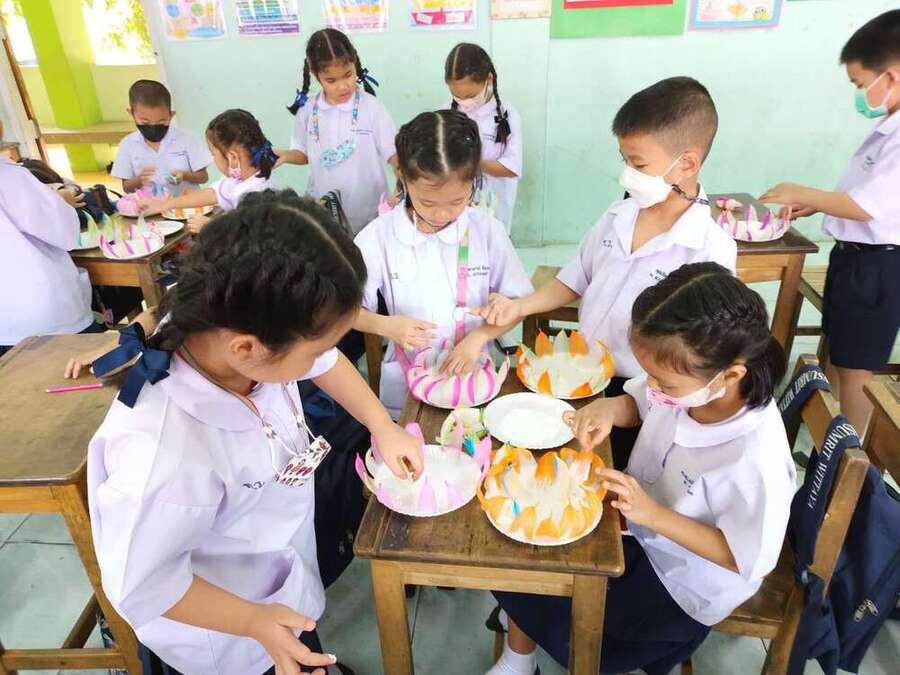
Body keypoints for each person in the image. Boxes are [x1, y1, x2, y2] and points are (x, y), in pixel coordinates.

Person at [88, 189, 424, 675]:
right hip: (226, 635)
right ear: (248, 349)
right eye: (312, 353)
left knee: (299, 637)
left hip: (274, 581)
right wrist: (253, 621)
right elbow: (143, 583)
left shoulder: (227, 328)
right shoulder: (164, 455)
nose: (321, 360)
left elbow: (326, 361)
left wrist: (382, 426)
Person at [486, 262, 795, 675]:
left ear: (731, 375)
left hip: (681, 582)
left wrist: (653, 515)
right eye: (650, 376)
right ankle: (520, 652)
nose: (653, 388)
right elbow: (639, 403)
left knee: (560, 605)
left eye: (664, 384)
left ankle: (526, 637)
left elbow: (746, 557)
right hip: (639, 529)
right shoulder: (690, 384)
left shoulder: (757, 458)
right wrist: (608, 410)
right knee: (518, 547)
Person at [475, 77, 737, 467]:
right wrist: (521, 307)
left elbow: (698, 358)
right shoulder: (619, 215)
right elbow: (575, 277)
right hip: (580, 372)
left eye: (639, 164)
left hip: (644, 395)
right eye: (624, 160)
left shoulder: (709, 250)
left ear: (686, 164)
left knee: (617, 471)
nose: (627, 174)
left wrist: (629, 402)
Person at [760, 9, 900, 435]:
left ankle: (851, 458)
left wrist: (801, 192)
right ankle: (831, 442)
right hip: (854, 258)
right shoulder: (888, 127)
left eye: (860, 84)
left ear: (890, 77)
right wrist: (820, 205)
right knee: (839, 358)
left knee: (857, 371)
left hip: (878, 267)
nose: (859, 94)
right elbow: (865, 197)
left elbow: (871, 207)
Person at [353, 110, 532, 417]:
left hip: (474, 372)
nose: (442, 214)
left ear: (474, 181)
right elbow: (346, 312)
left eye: (457, 201)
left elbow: (520, 303)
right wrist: (385, 325)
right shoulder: (377, 237)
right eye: (428, 202)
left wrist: (482, 334)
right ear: (403, 178)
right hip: (407, 384)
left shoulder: (487, 230)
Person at [276, 28, 397, 234]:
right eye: (331, 80)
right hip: (324, 209)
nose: (342, 86)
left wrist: (404, 184)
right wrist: (285, 156)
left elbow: (394, 155)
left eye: (348, 75)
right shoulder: (307, 108)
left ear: (354, 63)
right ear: (316, 76)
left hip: (369, 211)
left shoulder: (372, 107)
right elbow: (304, 154)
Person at [0, 119, 102, 356]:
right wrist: (60, 202)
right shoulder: (12, 178)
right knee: (78, 368)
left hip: (7, 320)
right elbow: (64, 234)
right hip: (41, 313)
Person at [139, 109, 278, 233]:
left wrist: (213, 228)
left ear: (233, 157)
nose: (213, 159)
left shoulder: (257, 195)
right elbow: (212, 194)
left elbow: (251, 240)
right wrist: (163, 205)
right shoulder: (240, 180)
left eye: (213, 154)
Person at [445, 43, 522, 232]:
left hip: (495, 211)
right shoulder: (445, 113)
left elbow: (512, 167)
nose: (465, 102)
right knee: (463, 246)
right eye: (457, 96)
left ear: (489, 79)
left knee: (490, 244)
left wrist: (473, 163)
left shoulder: (508, 115)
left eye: (471, 95)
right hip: (455, 213)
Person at [111, 79, 211, 196]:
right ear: (131, 113)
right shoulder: (127, 144)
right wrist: (139, 180)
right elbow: (126, 187)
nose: (153, 127)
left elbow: (203, 177)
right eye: (145, 122)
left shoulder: (187, 138)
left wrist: (184, 175)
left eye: (161, 122)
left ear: (171, 115)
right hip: (150, 205)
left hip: (187, 203)